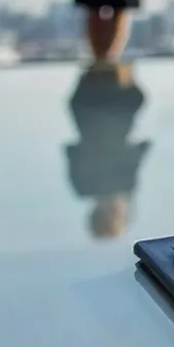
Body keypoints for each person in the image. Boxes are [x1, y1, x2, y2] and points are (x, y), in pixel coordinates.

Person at [65, 63, 150, 240]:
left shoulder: (123, 184)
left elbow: (140, 150)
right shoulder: (83, 187)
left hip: (109, 109)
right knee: (106, 64)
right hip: (91, 109)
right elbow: (71, 152)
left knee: (109, 64)